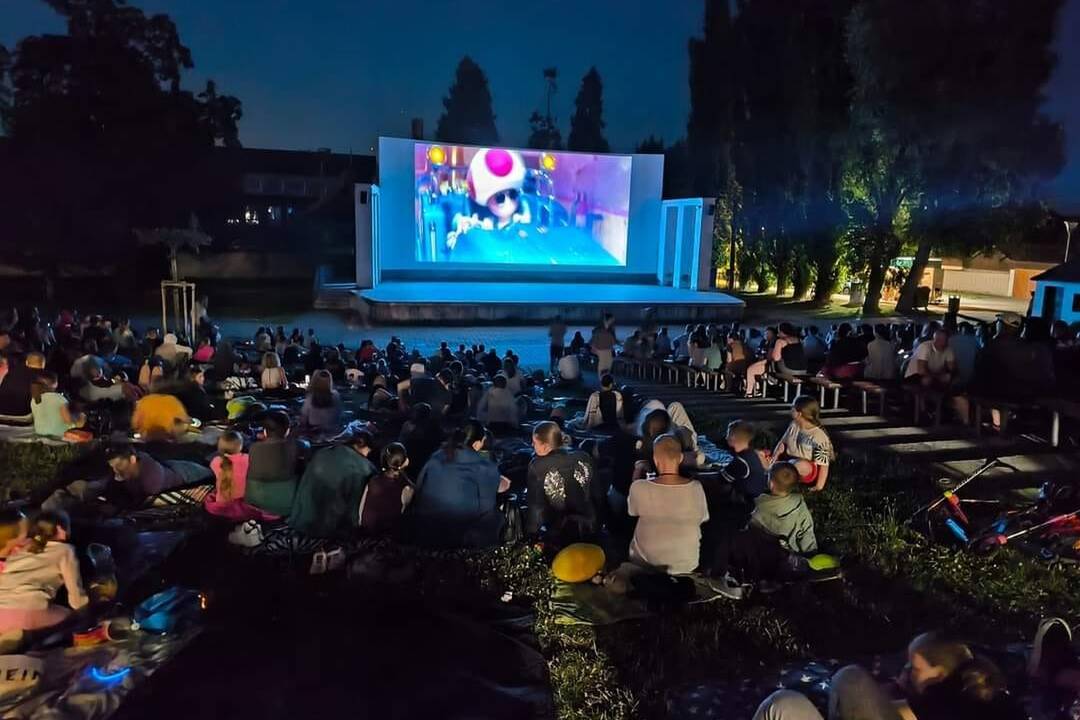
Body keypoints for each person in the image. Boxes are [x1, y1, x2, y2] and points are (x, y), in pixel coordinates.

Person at [408, 420, 508, 549]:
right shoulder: (483, 466)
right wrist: (496, 485)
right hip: (460, 531)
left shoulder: (437, 456)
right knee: (497, 516)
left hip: (427, 523)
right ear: (477, 444)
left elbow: (420, 487)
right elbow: (486, 507)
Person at [627, 434, 709, 575]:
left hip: (645, 563)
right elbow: (703, 518)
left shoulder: (639, 487)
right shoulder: (696, 487)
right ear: (681, 458)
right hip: (687, 564)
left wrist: (637, 471)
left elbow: (632, 511)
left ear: (655, 459)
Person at [0, 511, 88, 633]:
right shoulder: (65, 550)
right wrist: (86, 610)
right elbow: (75, 597)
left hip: (2, 613)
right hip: (28, 614)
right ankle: (24, 636)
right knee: (70, 617)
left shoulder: (23, 548)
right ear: (60, 529)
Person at [288, 426, 377, 538]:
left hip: (300, 519)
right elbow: (355, 508)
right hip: (327, 529)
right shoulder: (364, 469)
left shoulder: (323, 452)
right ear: (364, 447)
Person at [525, 422, 596, 545]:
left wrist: (531, 536)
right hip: (589, 523)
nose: (532, 445)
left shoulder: (537, 465)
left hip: (558, 530)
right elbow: (597, 492)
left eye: (535, 443)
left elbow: (536, 506)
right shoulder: (584, 456)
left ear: (545, 446)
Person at [751, 462, 817, 554]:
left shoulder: (758, 505)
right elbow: (807, 532)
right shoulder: (799, 503)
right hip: (790, 555)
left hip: (763, 555)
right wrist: (811, 553)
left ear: (771, 484)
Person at [106, 444, 200, 506]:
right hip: (171, 465)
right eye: (112, 467)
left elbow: (138, 503)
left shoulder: (151, 483)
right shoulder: (131, 466)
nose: (115, 470)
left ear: (132, 460)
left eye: (119, 465)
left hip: (186, 474)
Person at [245, 411, 301, 518]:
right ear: (288, 430)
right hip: (285, 504)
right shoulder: (297, 446)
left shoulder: (254, 447)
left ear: (265, 431)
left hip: (254, 501)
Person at [774, 396, 834, 492]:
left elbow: (823, 465)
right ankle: (774, 471)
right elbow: (782, 443)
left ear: (799, 413)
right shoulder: (793, 425)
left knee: (798, 465)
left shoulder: (819, 436)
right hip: (788, 459)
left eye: (793, 408)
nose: (791, 409)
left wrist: (819, 486)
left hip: (806, 466)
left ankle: (780, 479)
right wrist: (774, 458)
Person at [358, 442, 415, 536]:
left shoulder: (372, 481)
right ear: (406, 462)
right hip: (387, 538)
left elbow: (361, 510)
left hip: (365, 534)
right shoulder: (407, 489)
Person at [204, 431, 262, 520]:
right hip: (246, 505)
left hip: (222, 508)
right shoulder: (249, 458)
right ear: (240, 446)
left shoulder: (215, 462)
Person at [722, 420, 769, 501]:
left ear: (733, 437)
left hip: (746, 503)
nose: (726, 437)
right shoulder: (752, 454)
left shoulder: (740, 461)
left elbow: (721, 480)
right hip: (756, 498)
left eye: (728, 434)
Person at [31, 373, 85, 439]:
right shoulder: (60, 399)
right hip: (57, 437)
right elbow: (68, 420)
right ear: (55, 384)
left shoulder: (34, 400)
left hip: (39, 434)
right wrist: (81, 418)